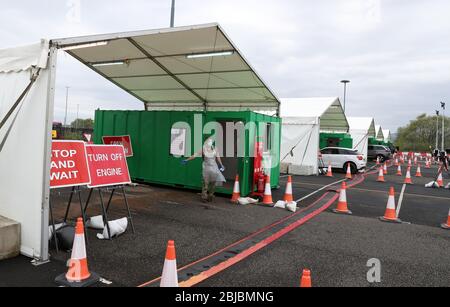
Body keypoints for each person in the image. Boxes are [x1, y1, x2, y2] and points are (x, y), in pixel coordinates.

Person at [182, 138, 226, 202]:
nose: (210, 142)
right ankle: (204, 197)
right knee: (206, 183)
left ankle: (210, 195)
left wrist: (221, 165)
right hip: (206, 168)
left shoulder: (215, 149)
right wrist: (187, 160)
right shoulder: (203, 149)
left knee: (213, 183)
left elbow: (218, 157)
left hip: (214, 168)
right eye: (208, 141)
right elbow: (195, 155)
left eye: (210, 141)